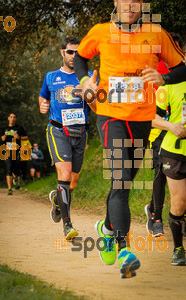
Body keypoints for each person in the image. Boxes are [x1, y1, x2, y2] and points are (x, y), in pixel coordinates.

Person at [74, 0, 186, 278]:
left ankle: (108, 228)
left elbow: (182, 66)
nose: (131, 4)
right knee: (121, 179)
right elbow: (79, 56)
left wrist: (165, 78)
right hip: (111, 115)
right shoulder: (101, 32)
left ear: (144, 4)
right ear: (116, 2)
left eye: (137, 0)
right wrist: (85, 79)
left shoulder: (157, 33)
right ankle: (124, 248)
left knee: (126, 179)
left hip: (142, 121)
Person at [39, 37, 92, 240]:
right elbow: (43, 96)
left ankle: (57, 200)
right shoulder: (51, 77)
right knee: (65, 172)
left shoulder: (87, 78)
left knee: (73, 182)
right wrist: (42, 105)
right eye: (70, 52)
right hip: (58, 130)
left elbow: (97, 106)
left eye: (78, 53)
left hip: (81, 132)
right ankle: (67, 225)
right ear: (62, 53)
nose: (74, 56)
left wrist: (90, 96)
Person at [145, 34, 186, 237]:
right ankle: (156, 217)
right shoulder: (158, 70)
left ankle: (176, 217)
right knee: (160, 173)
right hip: (160, 130)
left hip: (179, 133)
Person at [152, 81, 186, 265]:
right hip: (174, 152)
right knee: (179, 202)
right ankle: (178, 249)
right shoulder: (168, 87)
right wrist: (172, 126)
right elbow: (152, 117)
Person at [1, 113, 28, 195]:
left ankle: (15, 177)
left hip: (16, 150)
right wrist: (2, 138)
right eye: (11, 117)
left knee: (16, 166)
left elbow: (26, 137)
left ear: (16, 119)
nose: (12, 119)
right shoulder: (5, 128)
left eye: (14, 117)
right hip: (7, 150)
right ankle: (9, 189)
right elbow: (2, 139)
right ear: (8, 118)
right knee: (9, 168)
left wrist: (19, 137)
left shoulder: (19, 128)